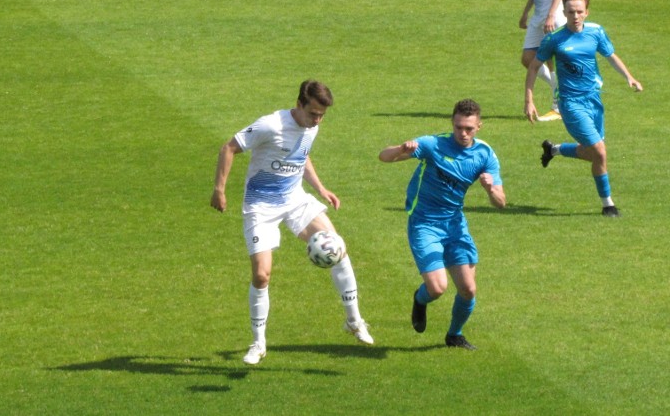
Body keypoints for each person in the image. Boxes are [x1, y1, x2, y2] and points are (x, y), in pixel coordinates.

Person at [211, 80, 373, 365]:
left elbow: (302, 155)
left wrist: (321, 189)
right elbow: (229, 148)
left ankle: (354, 320)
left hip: (295, 199)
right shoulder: (270, 125)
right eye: (312, 113)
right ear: (299, 104)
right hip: (260, 207)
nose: (317, 120)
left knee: (338, 248)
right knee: (262, 275)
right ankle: (258, 343)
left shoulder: (312, 126)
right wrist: (219, 190)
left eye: (321, 115)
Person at [378, 99, 506, 351]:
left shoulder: (485, 155)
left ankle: (454, 335)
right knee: (437, 288)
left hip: (455, 224)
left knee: (468, 289)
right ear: (452, 123)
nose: (463, 133)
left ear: (479, 126)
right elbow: (384, 157)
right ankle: (419, 298)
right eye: (459, 127)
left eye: (469, 128)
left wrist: (491, 189)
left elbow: (501, 203)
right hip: (424, 224)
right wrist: (401, 149)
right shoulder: (433, 144)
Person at [524, 0, 642, 217]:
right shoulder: (554, 39)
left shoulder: (596, 32)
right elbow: (533, 66)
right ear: (564, 12)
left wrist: (629, 77)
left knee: (593, 153)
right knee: (600, 151)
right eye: (570, 12)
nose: (575, 16)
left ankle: (554, 149)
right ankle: (608, 204)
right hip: (570, 103)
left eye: (579, 11)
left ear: (586, 12)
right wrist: (529, 99)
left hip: (594, 100)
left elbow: (611, 56)